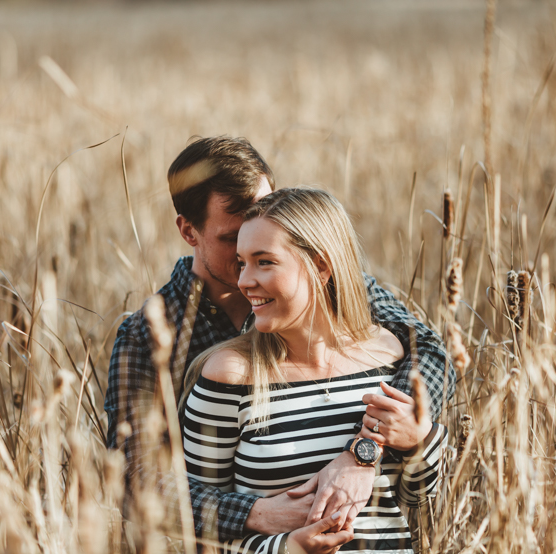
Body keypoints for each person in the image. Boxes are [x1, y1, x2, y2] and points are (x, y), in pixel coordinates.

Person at [104, 136, 454, 544]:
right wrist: (259, 515)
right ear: (189, 231)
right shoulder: (150, 334)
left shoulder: (335, 290)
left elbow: (429, 352)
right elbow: (134, 479)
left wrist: (365, 449)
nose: (246, 258)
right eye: (233, 239)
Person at [181, 187, 448, 553]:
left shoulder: (389, 356)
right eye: (243, 262)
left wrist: (420, 439)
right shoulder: (230, 375)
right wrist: (285, 549)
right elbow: (195, 525)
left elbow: (416, 499)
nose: (244, 280)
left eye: (264, 261)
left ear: (321, 266)